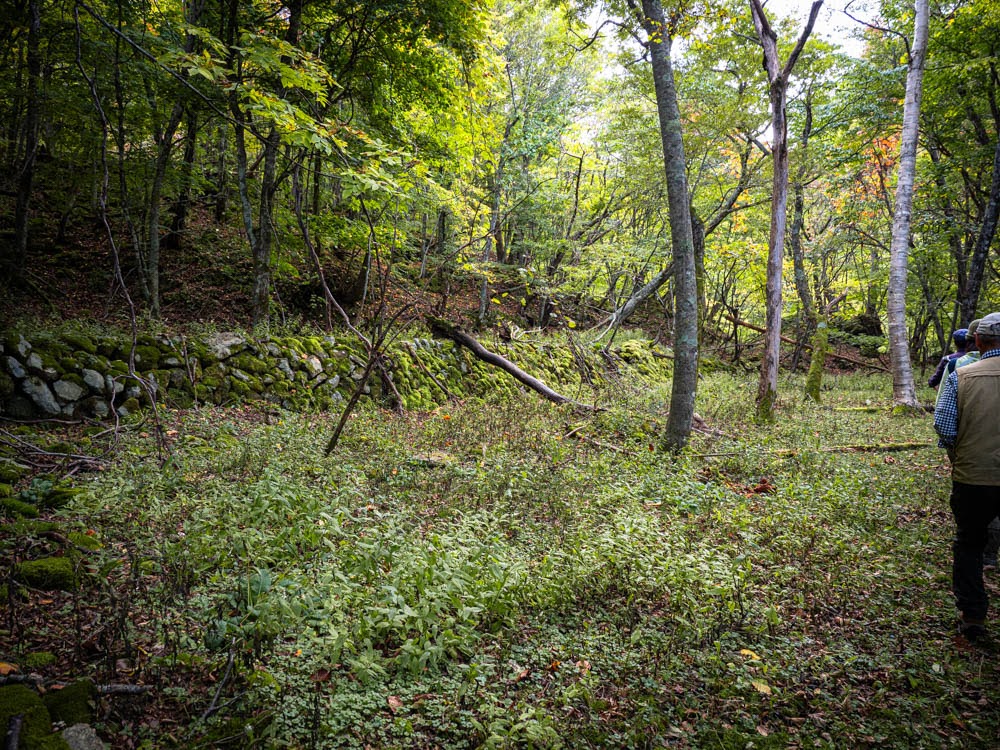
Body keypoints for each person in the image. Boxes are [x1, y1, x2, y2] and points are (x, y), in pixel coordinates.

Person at [934, 311, 1000, 641]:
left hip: (973, 477)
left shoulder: (962, 375)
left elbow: (944, 427)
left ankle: (974, 617)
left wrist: (960, 455)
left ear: (977, 341)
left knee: (969, 543)